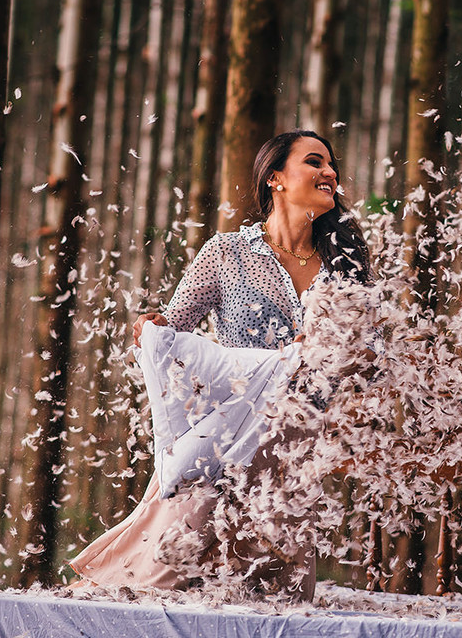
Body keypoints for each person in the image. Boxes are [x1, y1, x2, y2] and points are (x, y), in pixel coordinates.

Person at [70, 129, 370, 594]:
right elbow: (172, 333)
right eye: (315, 161)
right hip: (223, 439)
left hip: (292, 450)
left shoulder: (344, 263)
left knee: (274, 592)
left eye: (332, 165)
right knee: (167, 574)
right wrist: (151, 326)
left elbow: (368, 357)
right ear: (275, 177)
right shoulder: (226, 253)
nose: (329, 171)